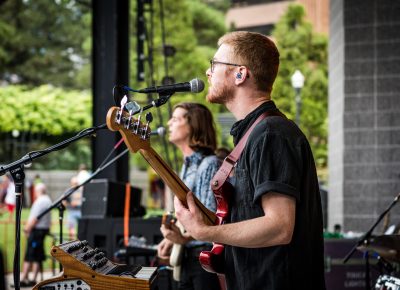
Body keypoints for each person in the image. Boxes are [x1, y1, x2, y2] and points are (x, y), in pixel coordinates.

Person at [174, 31, 326, 290]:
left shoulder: (270, 134)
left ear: (240, 74)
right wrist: (189, 232)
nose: (208, 72)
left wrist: (205, 232)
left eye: (215, 64)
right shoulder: (256, 133)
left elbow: (279, 227)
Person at [157, 102, 220, 290]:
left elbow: (210, 224)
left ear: (193, 125)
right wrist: (170, 238)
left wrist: (183, 239)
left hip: (202, 258)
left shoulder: (209, 164)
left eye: (176, 119)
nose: (169, 123)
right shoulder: (188, 166)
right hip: (188, 255)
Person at [20, 182, 52, 287]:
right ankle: (30, 278)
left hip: (36, 231)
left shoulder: (40, 201)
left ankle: (26, 278)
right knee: (36, 254)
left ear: (37, 191)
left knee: (31, 254)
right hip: (42, 231)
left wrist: (27, 229)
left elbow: (35, 218)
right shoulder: (47, 200)